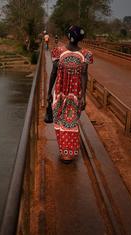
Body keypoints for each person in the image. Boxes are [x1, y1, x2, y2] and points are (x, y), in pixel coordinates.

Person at [47, 25, 93, 164]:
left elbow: (53, 73)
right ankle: (68, 152)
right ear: (80, 38)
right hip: (75, 93)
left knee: (61, 120)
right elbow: (84, 75)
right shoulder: (85, 54)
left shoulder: (58, 52)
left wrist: (49, 92)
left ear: (68, 36)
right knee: (71, 121)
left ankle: (65, 152)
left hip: (60, 92)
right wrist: (83, 96)